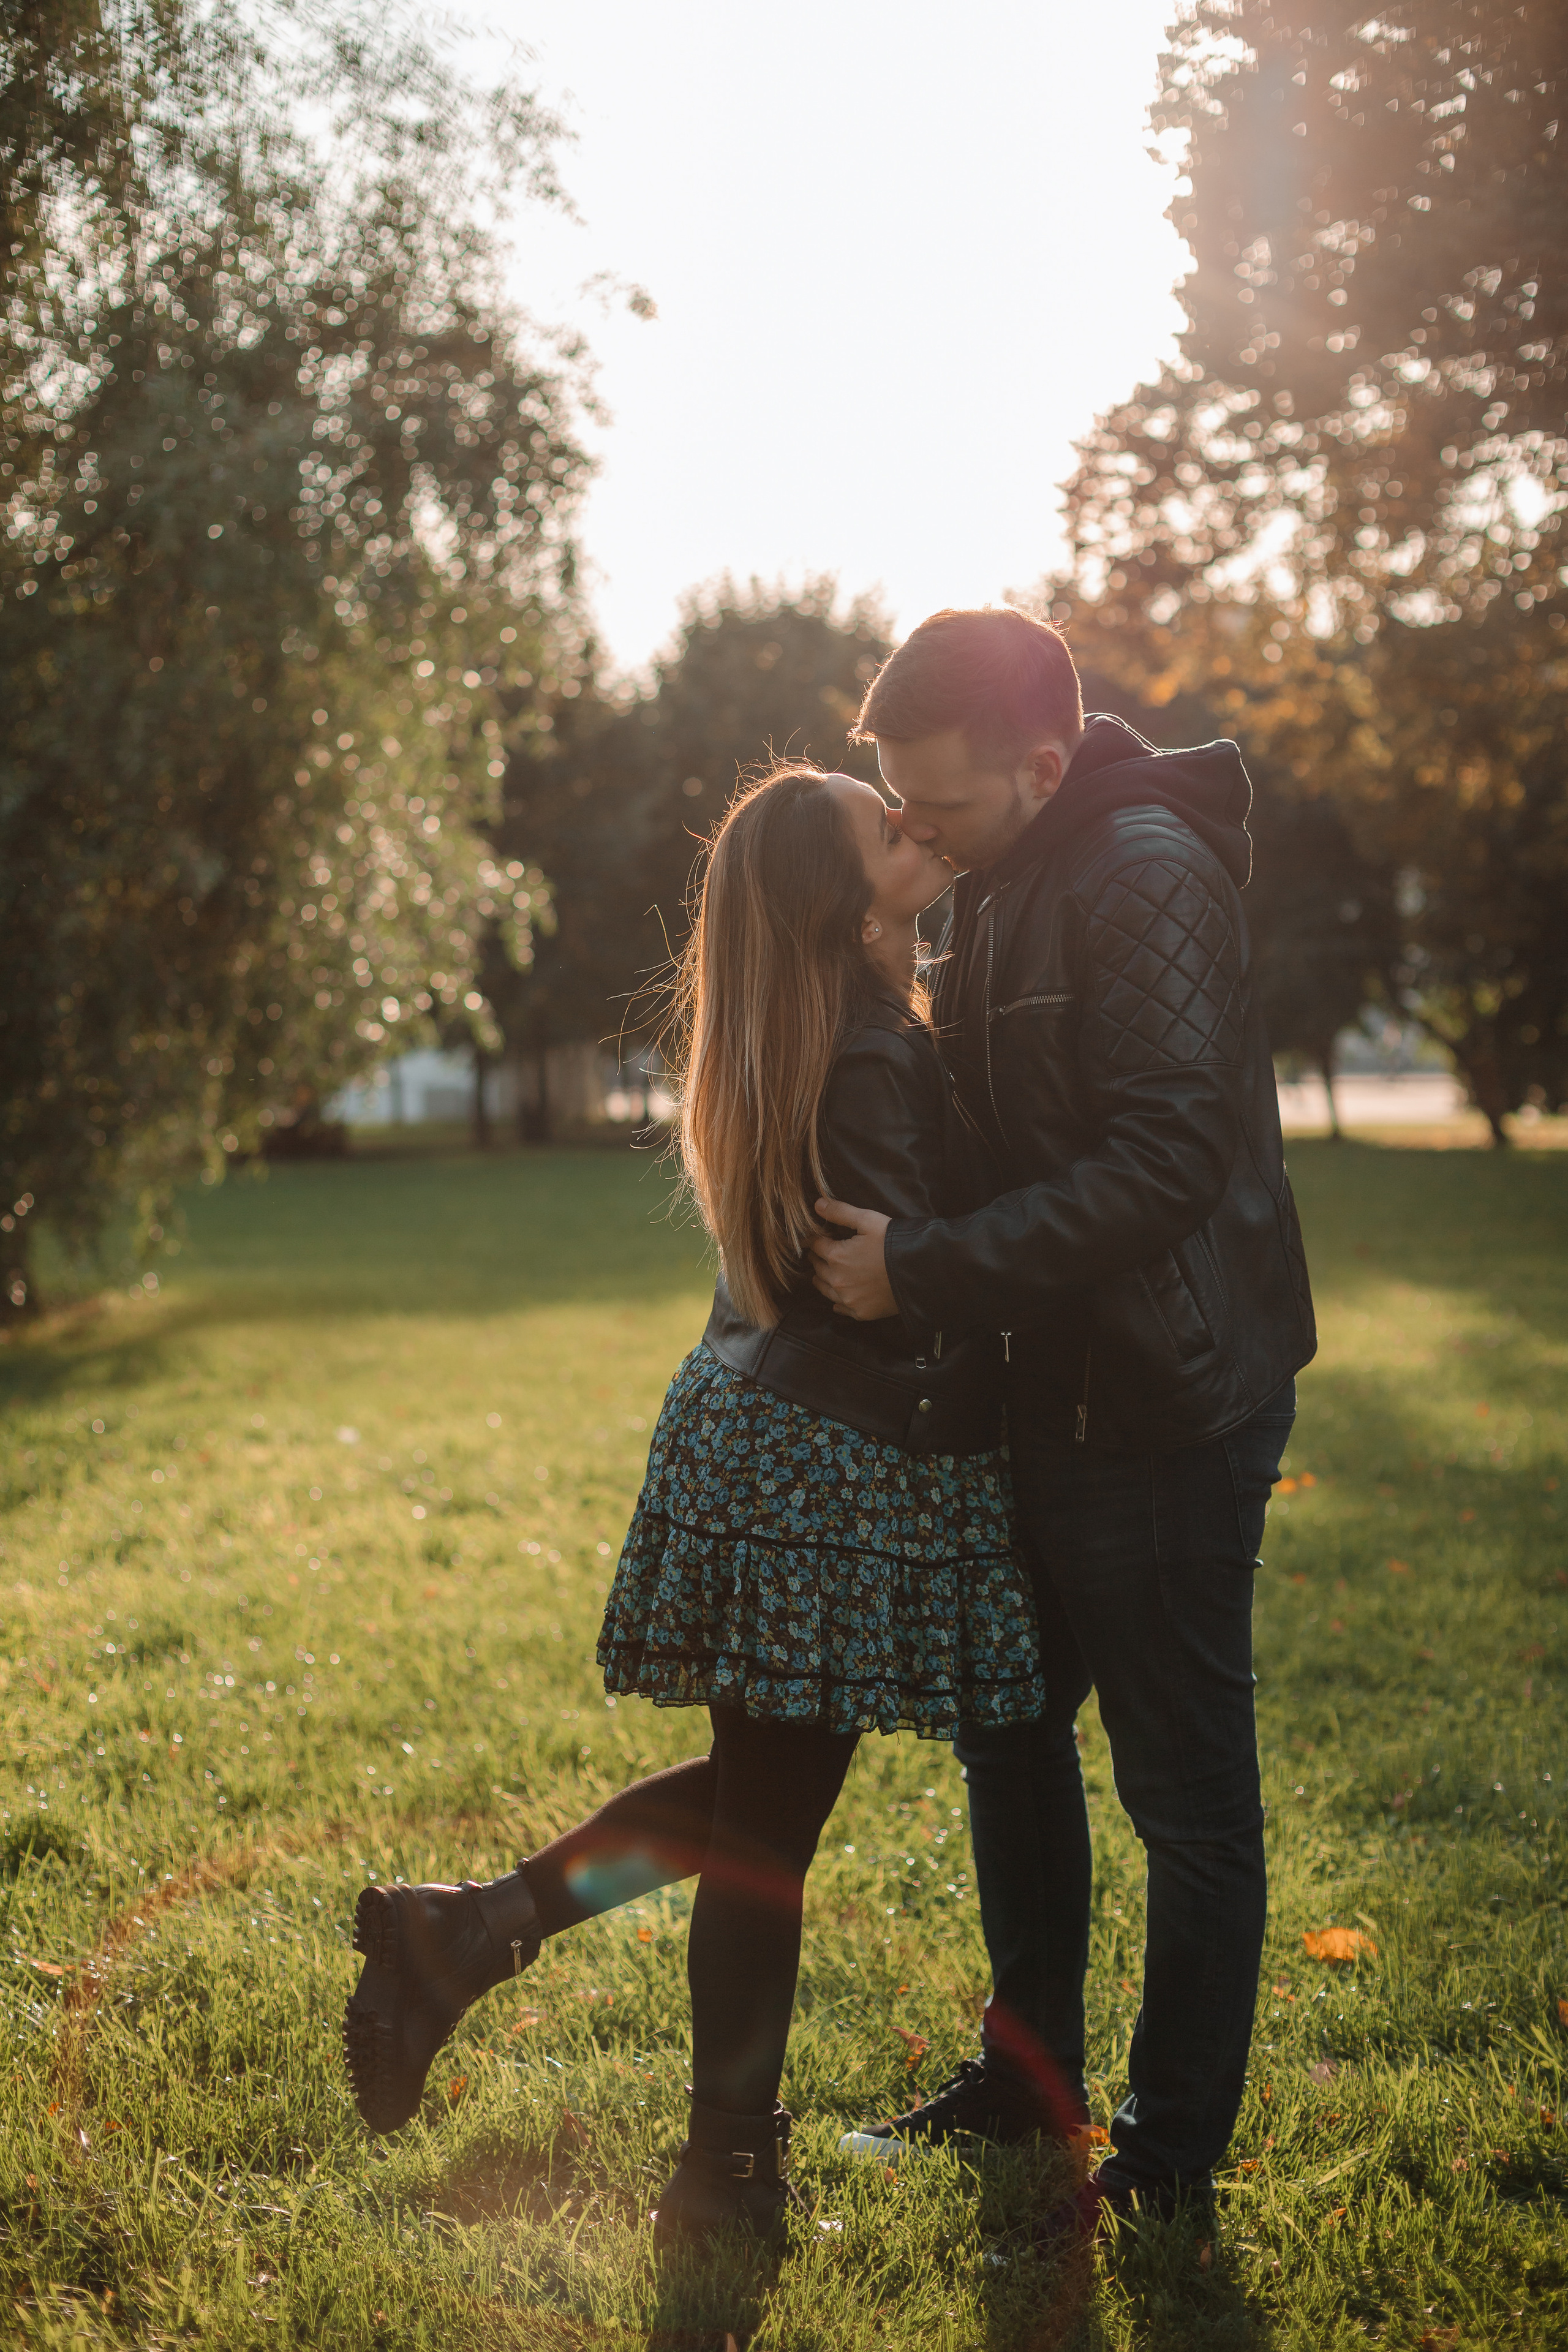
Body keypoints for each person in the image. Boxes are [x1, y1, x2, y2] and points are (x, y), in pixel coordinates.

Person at [342, 760, 1047, 2247]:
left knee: (751, 1806)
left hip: (769, 1443)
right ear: (830, 900)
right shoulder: (862, 1053)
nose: (912, 822)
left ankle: (469, 1932)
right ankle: (717, 2175)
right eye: (882, 823)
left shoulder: (822, 1037)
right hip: (825, 1466)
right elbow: (888, 1284)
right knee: (763, 1838)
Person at [809, 608, 1315, 2231]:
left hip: (1163, 1404)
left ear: (1042, 765)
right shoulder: (997, 875)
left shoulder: (1144, 870)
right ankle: (1030, 2092)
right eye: (901, 804)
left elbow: (1170, 1163)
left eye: (936, 807)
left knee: (1182, 1791)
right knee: (1012, 1743)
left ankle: (1170, 2158)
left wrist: (929, 1272)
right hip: (1036, 1396)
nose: (914, 833)